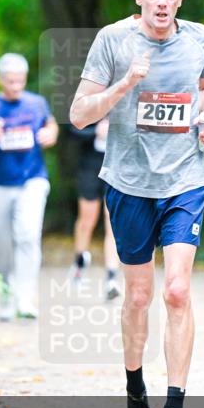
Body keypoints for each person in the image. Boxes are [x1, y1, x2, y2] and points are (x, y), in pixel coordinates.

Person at [70, 0, 204, 408]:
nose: (161, 2)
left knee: (176, 291)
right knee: (138, 297)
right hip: (130, 183)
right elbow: (78, 115)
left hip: (185, 178)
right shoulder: (113, 41)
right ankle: (136, 390)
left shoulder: (198, 38)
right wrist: (125, 85)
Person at [0, 53, 59, 321]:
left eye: (20, 80)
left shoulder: (37, 103)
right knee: (2, 243)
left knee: (28, 235)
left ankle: (25, 299)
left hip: (33, 179)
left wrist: (51, 134)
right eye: (10, 81)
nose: (16, 86)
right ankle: (5, 293)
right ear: (0, 80)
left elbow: (51, 125)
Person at [67, 118, 121, 300]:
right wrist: (95, 131)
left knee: (112, 221)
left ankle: (111, 277)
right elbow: (72, 130)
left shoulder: (127, 99)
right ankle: (79, 264)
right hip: (90, 167)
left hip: (117, 166)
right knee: (86, 220)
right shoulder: (90, 97)